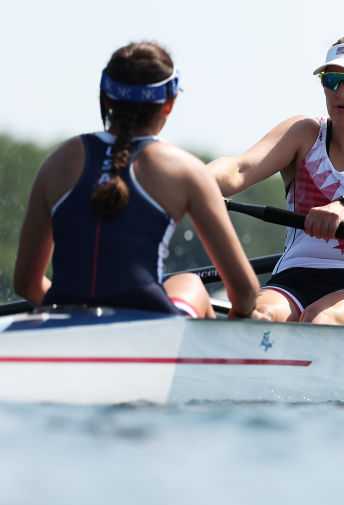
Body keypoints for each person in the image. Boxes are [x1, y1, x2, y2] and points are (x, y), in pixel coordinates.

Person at [13, 41, 260, 319]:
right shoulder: (185, 169)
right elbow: (245, 292)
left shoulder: (59, 160)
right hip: (151, 329)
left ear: (106, 99)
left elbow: (26, 282)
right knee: (188, 282)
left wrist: (70, 316)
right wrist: (244, 318)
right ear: (168, 104)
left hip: (64, 320)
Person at [209, 35, 344, 327]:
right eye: (331, 81)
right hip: (295, 275)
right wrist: (188, 181)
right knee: (257, 317)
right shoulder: (303, 134)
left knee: (321, 320)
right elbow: (238, 169)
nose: (341, 92)